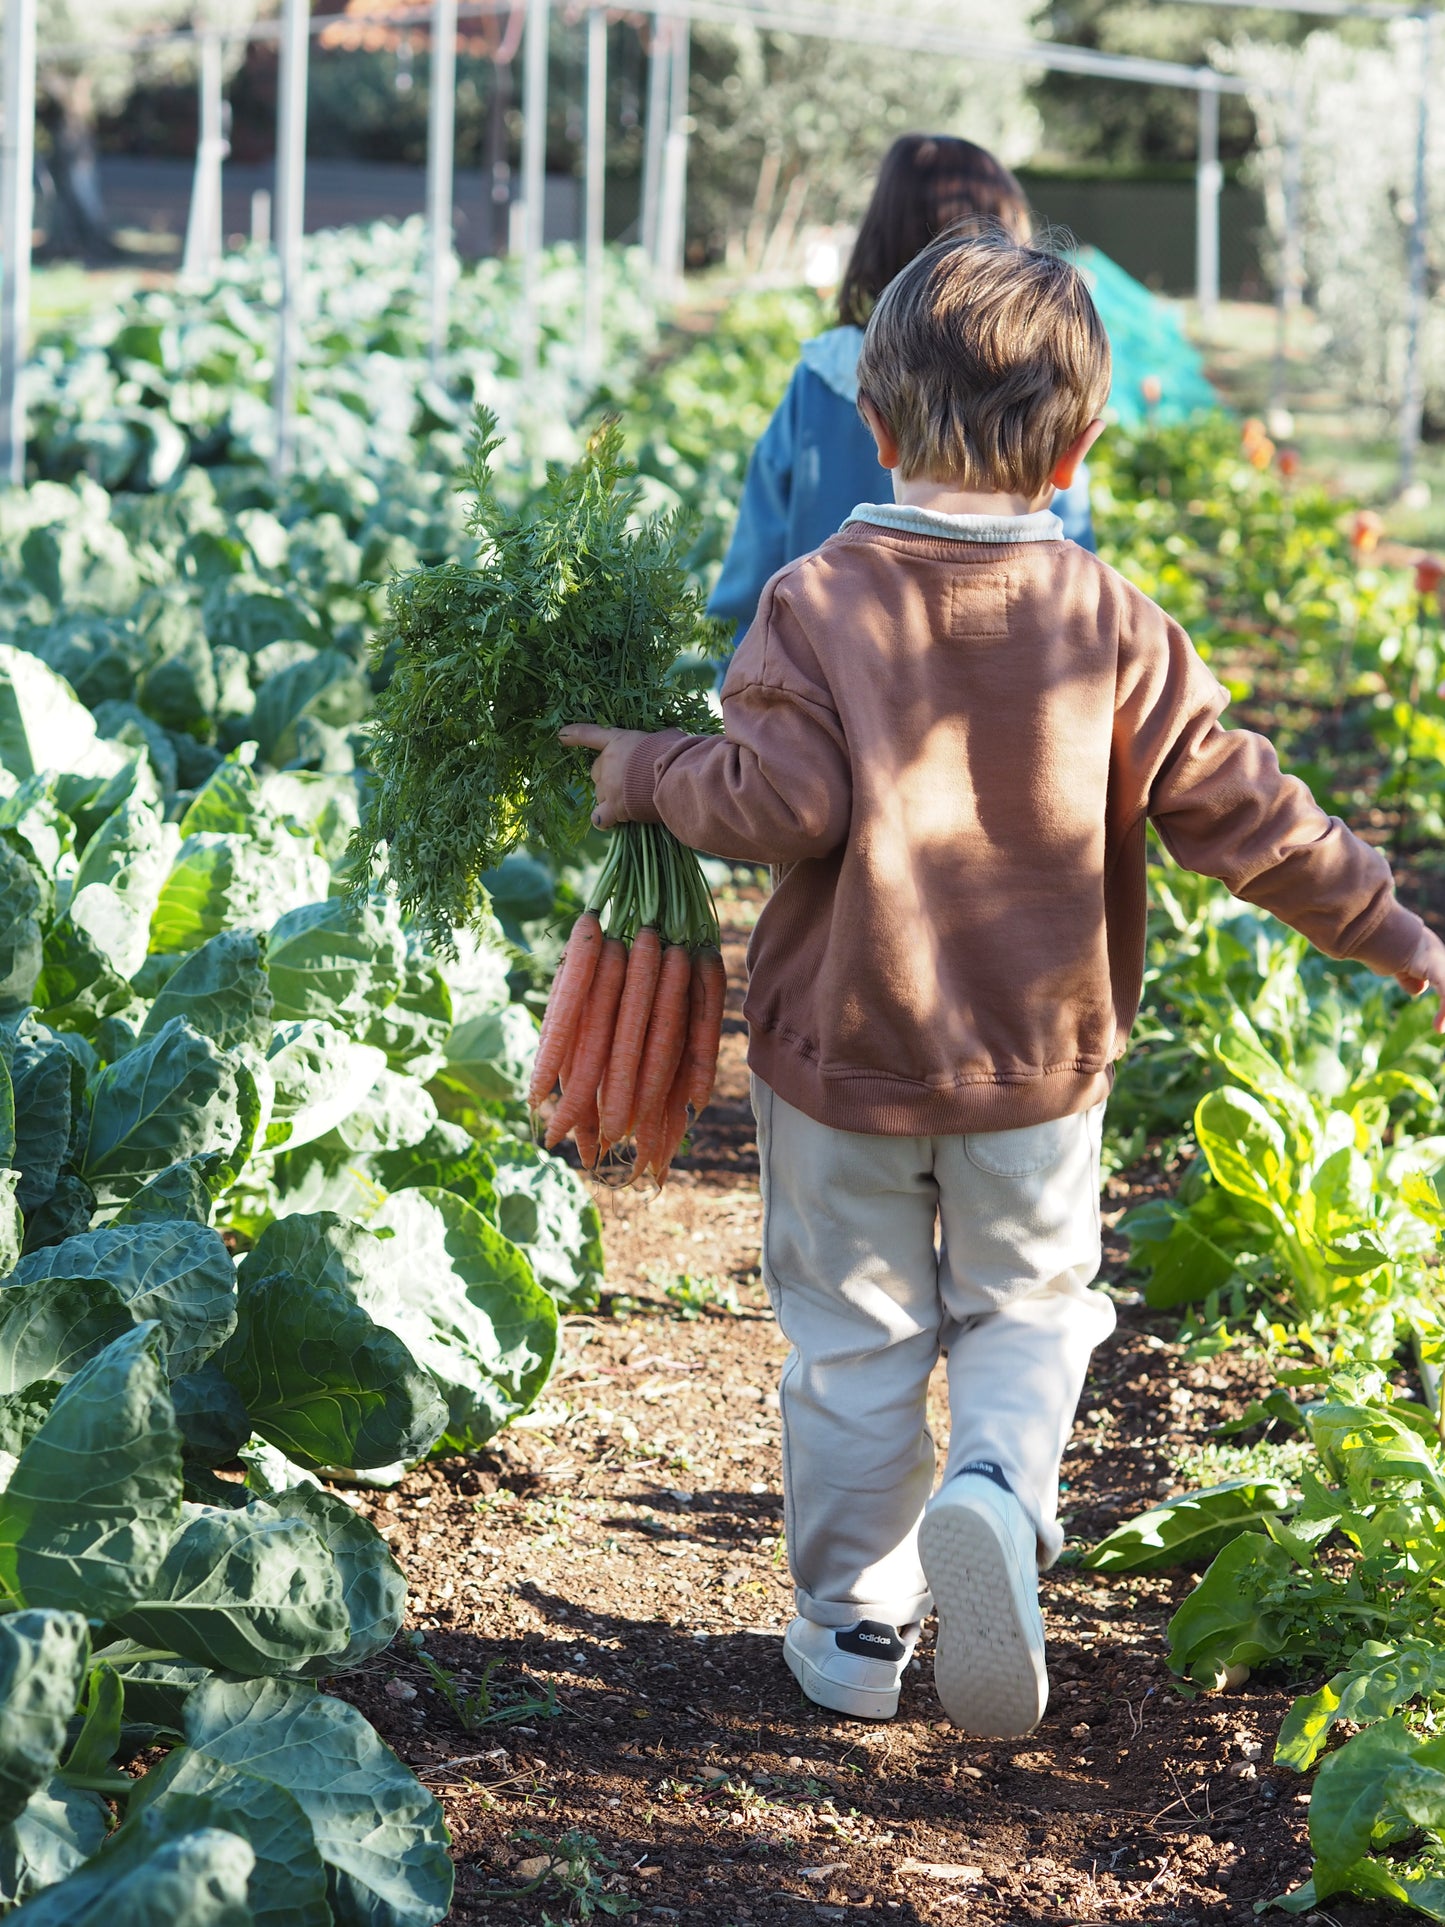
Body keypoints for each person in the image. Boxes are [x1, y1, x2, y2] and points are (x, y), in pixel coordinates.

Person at [561, 229, 1445, 1737]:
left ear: (880, 429)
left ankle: (853, 1622)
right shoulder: (1115, 623)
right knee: (1032, 1304)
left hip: (841, 1055)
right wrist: (1395, 929)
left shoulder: (816, 598)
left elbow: (779, 806)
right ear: (1081, 447)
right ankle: (995, 1488)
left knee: (853, 1333)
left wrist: (649, 772)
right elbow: (1248, 810)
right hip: (1035, 1064)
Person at [708, 134, 1096, 645]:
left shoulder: (825, 374)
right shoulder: (1033, 371)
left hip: (819, 681)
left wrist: (736, 684)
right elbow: (1071, 549)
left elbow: (755, 561)